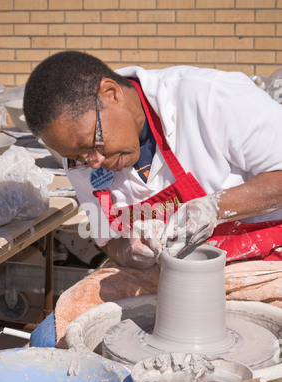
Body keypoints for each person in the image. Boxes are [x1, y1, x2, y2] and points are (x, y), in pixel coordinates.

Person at [23, 51, 282, 348]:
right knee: (48, 341)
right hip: (163, 277)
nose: (93, 162)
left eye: (92, 145)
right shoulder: (83, 163)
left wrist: (215, 207)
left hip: (264, 262)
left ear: (112, 93)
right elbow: (110, 243)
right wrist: (131, 250)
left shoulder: (210, 100)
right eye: (76, 157)